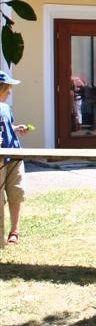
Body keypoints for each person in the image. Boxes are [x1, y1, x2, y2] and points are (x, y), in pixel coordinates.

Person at [1, 71, 31, 247]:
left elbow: (6, 125)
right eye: (8, 88)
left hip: (15, 155)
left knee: (16, 193)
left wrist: (15, 128)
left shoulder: (6, 107)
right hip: (0, 159)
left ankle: (14, 231)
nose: (10, 92)